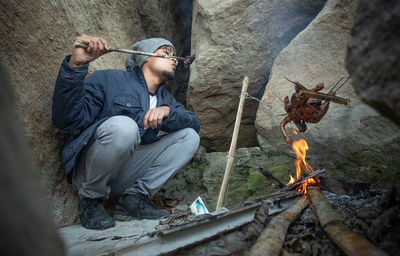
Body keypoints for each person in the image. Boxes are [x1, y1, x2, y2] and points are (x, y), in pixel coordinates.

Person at [52, 35, 200, 230]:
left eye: (175, 56)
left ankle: (133, 200)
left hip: (125, 175)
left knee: (190, 137)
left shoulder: (165, 98)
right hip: (90, 172)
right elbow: (67, 119)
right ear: (145, 57)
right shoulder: (109, 79)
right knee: (125, 126)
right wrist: (75, 66)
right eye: (166, 53)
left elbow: (193, 123)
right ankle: (90, 201)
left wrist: (168, 111)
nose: (174, 59)